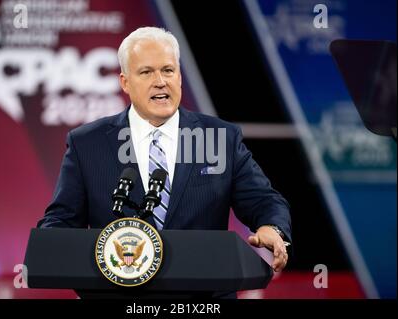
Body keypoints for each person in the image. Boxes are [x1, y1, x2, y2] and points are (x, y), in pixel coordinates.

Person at [38, 27, 291, 276]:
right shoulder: (87, 144)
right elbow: (62, 220)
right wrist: (50, 246)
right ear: (125, 82)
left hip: (203, 296)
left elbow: (263, 200)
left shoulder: (219, 138)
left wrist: (272, 227)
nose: (160, 82)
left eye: (168, 70)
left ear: (179, 77)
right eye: (146, 72)